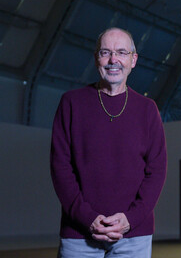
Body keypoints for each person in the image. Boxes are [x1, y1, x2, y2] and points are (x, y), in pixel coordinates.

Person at [50, 27, 167, 257]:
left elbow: (157, 171)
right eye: (106, 52)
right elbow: (60, 168)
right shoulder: (71, 103)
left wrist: (130, 219)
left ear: (133, 60)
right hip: (79, 235)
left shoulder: (147, 109)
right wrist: (87, 218)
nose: (114, 60)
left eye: (122, 52)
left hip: (134, 235)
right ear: (96, 59)